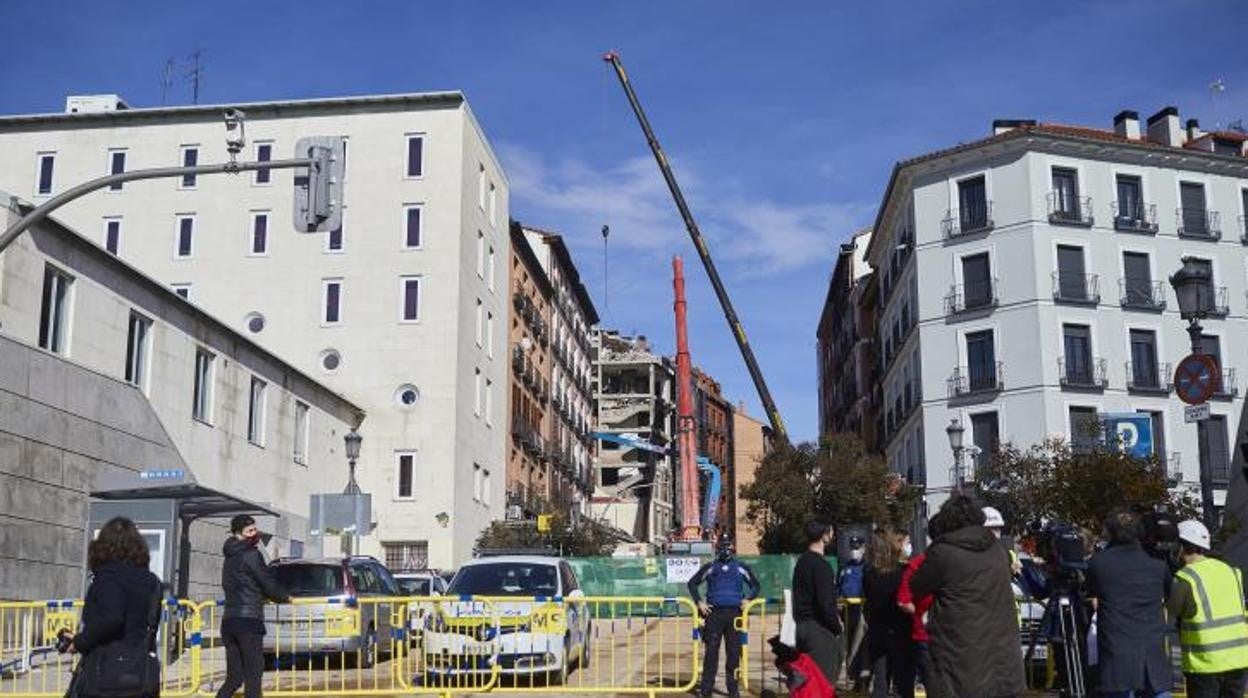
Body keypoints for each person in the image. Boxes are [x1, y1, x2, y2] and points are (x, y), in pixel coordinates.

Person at [910, 493, 1025, 698]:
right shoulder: (997, 551)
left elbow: (916, 585)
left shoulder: (943, 553)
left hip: (960, 654)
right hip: (1003, 655)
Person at [64, 517, 163, 697]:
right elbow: (151, 623)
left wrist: (80, 641)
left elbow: (111, 618)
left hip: (106, 672)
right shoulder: (152, 582)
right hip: (141, 671)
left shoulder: (108, 578)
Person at [1085, 509, 1173, 698]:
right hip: (1153, 653)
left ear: (1110, 532)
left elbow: (1090, 591)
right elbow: (1169, 593)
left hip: (1117, 655)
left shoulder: (1099, 564)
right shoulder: (1157, 563)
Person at [1166, 519, 1248, 698]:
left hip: (1205, 665)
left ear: (1182, 546)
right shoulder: (1231, 571)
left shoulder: (1186, 577)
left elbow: (1172, 613)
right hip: (1238, 660)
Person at [217, 515, 290, 698]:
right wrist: (285, 597)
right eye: (249, 531)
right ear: (238, 533)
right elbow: (266, 582)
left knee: (234, 678)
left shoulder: (229, 556)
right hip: (249, 622)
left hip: (229, 622)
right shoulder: (251, 554)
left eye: (255, 529)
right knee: (253, 677)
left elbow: (243, 584)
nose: (254, 534)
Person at [688, 533, 761, 698]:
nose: (725, 549)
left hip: (735, 615)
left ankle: (733, 691)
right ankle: (706, 691)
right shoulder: (711, 566)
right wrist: (699, 602)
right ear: (717, 547)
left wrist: (748, 600)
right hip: (714, 615)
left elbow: (756, 586)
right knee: (711, 653)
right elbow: (692, 583)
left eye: (728, 545)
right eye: (722, 546)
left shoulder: (741, 567)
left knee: (733, 654)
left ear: (732, 547)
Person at [864, 528, 917, 698]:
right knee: (903, 683)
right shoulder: (903, 572)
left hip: (878, 631)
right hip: (902, 631)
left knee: (880, 682)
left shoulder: (869, 574)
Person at [792, 519, 843, 685]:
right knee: (823, 684)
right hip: (818, 629)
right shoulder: (821, 566)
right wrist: (836, 626)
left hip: (801, 627)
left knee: (807, 684)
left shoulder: (802, 562)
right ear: (824, 535)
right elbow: (825, 604)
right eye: (831, 531)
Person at [839, 535, 868, 690]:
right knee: (850, 645)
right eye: (852, 547)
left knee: (861, 645)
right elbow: (839, 587)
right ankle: (854, 677)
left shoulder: (867, 567)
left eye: (857, 548)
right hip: (847, 610)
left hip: (862, 610)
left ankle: (862, 680)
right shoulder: (845, 566)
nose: (854, 551)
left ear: (863, 548)